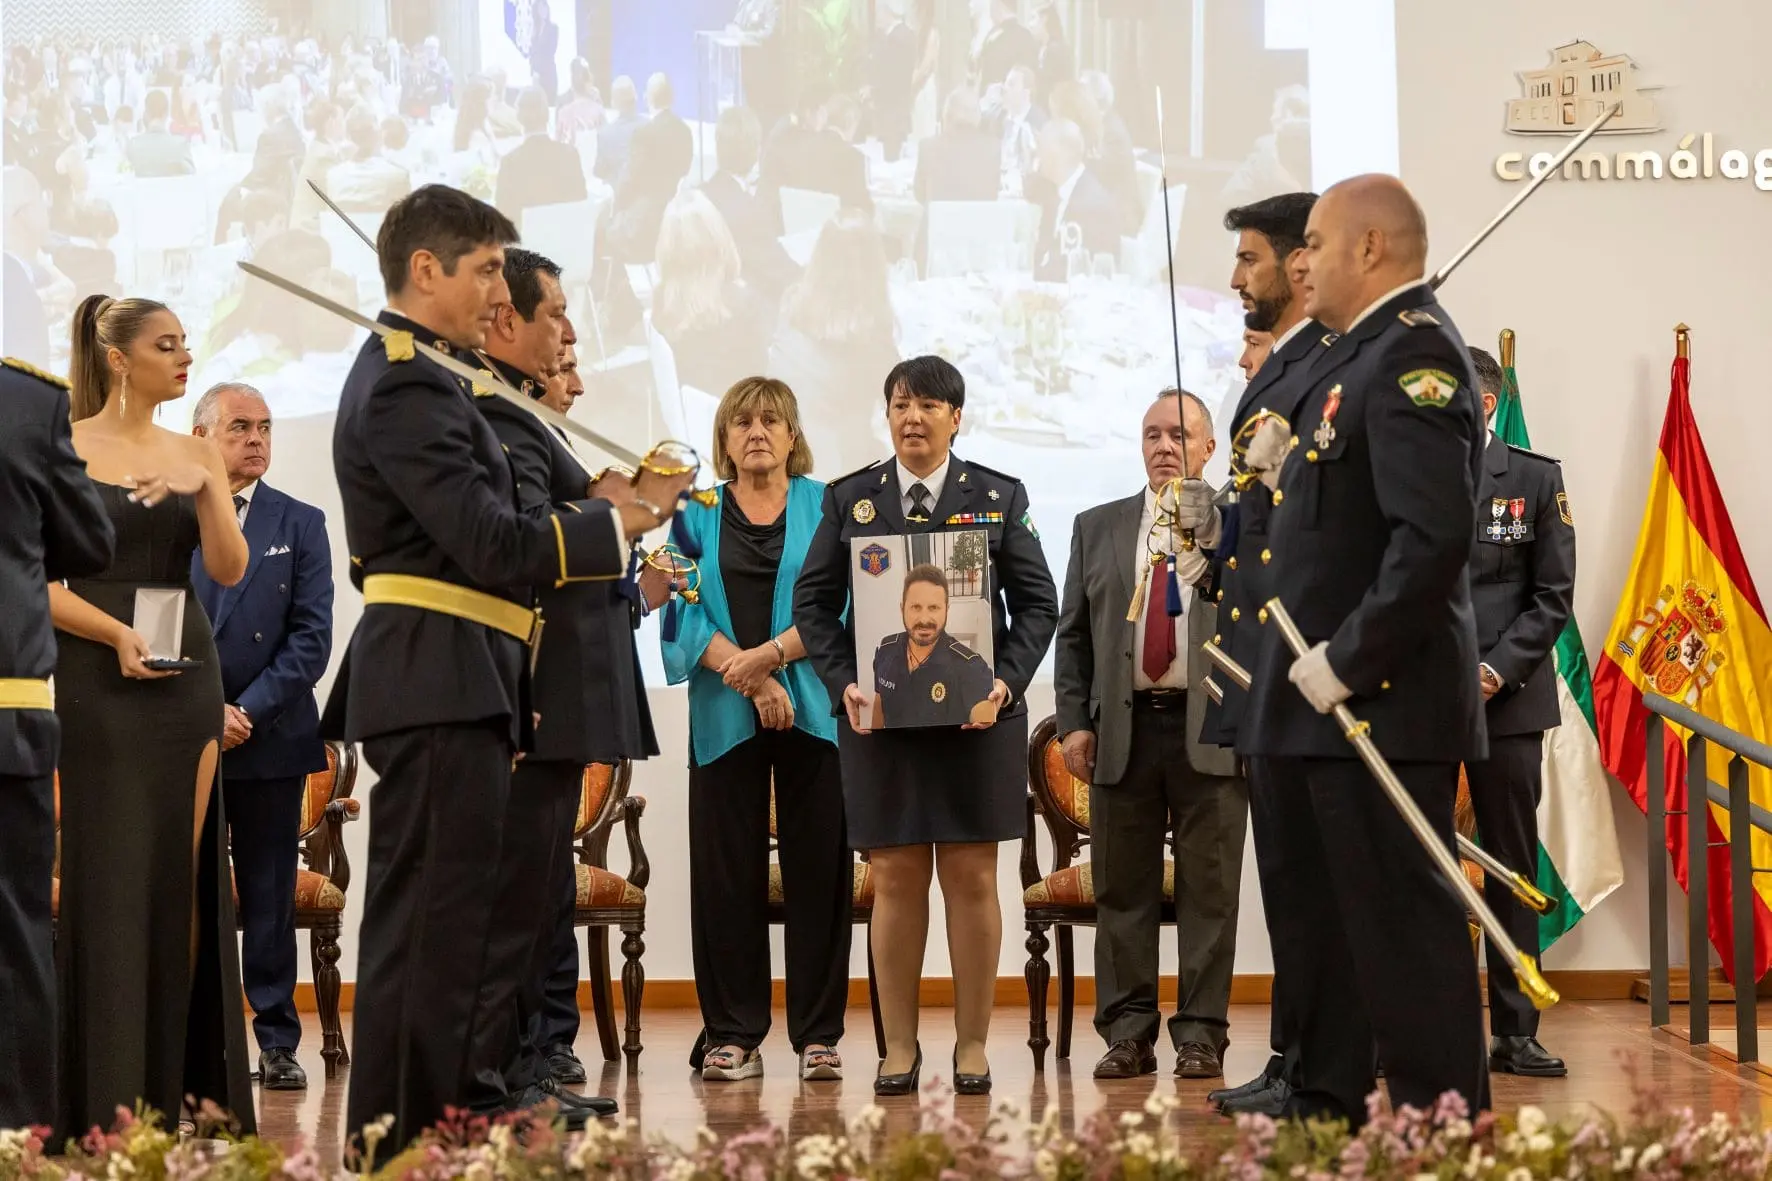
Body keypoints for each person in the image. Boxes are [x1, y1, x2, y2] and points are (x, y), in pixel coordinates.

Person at [328, 185, 690, 1154]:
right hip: (436, 666)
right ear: (425, 270)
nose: (499, 288)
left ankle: (454, 1116)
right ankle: (399, 1134)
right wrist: (618, 518)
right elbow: (489, 540)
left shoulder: (441, 381)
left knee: (464, 919)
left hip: (471, 668)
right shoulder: (406, 380)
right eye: (486, 268)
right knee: (430, 922)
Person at [1237, 174, 1489, 1125]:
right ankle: (1327, 1102)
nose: (1304, 260)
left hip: (1378, 702)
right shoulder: (1352, 360)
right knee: (1329, 928)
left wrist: (1349, 657)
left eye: (1317, 242)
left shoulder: (1414, 357)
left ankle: (1442, 1123)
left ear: (1371, 248)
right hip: (1316, 708)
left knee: (1401, 930)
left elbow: (1431, 539)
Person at [794, 355, 1058, 1096]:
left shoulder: (999, 496)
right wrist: (844, 684)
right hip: (883, 727)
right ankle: (899, 1048)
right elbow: (814, 605)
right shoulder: (852, 499)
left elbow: (1040, 603)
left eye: (928, 406)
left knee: (973, 877)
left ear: (955, 417)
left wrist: (1004, 683)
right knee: (897, 880)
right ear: (888, 417)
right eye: (900, 405)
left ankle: (972, 1045)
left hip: (978, 725)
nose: (913, 418)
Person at [51, 294, 255, 1139]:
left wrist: (208, 479)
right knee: (106, 879)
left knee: (181, 878)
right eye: (165, 345)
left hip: (186, 677)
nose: (183, 357)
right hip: (95, 673)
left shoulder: (195, 445)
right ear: (118, 357)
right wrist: (115, 633)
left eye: (185, 343)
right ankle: (100, 1097)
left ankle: (170, 1097)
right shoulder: (61, 444)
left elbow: (228, 566)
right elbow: (36, 582)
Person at [469, 250, 644, 1119]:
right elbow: (526, 544)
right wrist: (621, 508)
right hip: (529, 690)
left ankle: (528, 1067)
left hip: (561, 695)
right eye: (556, 314)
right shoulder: (496, 416)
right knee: (515, 898)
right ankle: (498, 1076)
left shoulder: (528, 421)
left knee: (539, 892)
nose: (569, 333)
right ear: (507, 320)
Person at [661, 376, 851, 1084]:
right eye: (741, 421)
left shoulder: (828, 504)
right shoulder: (693, 510)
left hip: (812, 712)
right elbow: (676, 606)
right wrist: (747, 675)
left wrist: (772, 659)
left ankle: (819, 1035)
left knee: (819, 873)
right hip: (721, 716)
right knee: (723, 875)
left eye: (772, 419)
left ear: (794, 434)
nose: (757, 431)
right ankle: (732, 1032)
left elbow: (845, 600)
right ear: (724, 438)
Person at [1055, 388, 1246, 1081]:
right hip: (1122, 735)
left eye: (1179, 435)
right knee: (1122, 891)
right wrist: (1074, 723)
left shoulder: (1237, 528)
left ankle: (1200, 1033)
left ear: (1209, 448)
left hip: (1214, 733)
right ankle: (1127, 1032)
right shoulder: (1096, 527)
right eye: (1152, 434)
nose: (1164, 446)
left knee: (1211, 893)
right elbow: (1072, 635)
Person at [1199, 193, 1327, 1117]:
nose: (1236, 277)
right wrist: (1210, 539)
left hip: (1302, 668)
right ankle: (1294, 1055)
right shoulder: (1278, 375)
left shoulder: (1322, 370)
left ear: (1296, 264)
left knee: (1315, 890)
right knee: (1288, 885)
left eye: (1249, 258)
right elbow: (1258, 522)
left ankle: (1318, 1066)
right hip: (1260, 668)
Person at [186, 382, 332, 1093]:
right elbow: (158, 620)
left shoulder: (301, 521)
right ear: (201, 433)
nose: (256, 439)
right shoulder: (170, 518)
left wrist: (243, 711)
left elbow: (311, 640)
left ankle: (276, 1039)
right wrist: (204, 710)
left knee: (270, 897)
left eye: (266, 426)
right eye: (240, 425)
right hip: (187, 738)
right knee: (194, 894)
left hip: (269, 738)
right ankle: (201, 1039)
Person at [0, 357, 114, 1133]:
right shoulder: (28, 400)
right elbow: (89, 542)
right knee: (13, 943)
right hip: (7, 720)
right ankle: (18, 1136)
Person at [1463, 344, 1575, 1079]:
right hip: (1414, 705)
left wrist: (1495, 670)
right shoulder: (1402, 480)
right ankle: (1409, 1026)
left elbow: (1552, 597)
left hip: (1505, 704)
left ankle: (1514, 1027)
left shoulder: (1534, 479)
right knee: (1416, 865)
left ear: (1489, 400)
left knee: (1506, 865)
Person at [871, 565, 996, 727]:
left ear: (946, 610)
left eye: (934, 608)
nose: (924, 619)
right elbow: (879, 704)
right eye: (916, 607)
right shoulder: (886, 650)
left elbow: (983, 709)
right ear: (902, 609)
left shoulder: (968, 665)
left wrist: (985, 718)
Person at [494, 87, 587, 227]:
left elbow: (503, 215)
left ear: (519, 117)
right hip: (566, 238)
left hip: (527, 244)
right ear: (547, 114)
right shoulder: (570, 154)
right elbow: (581, 202)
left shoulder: (510, 162)